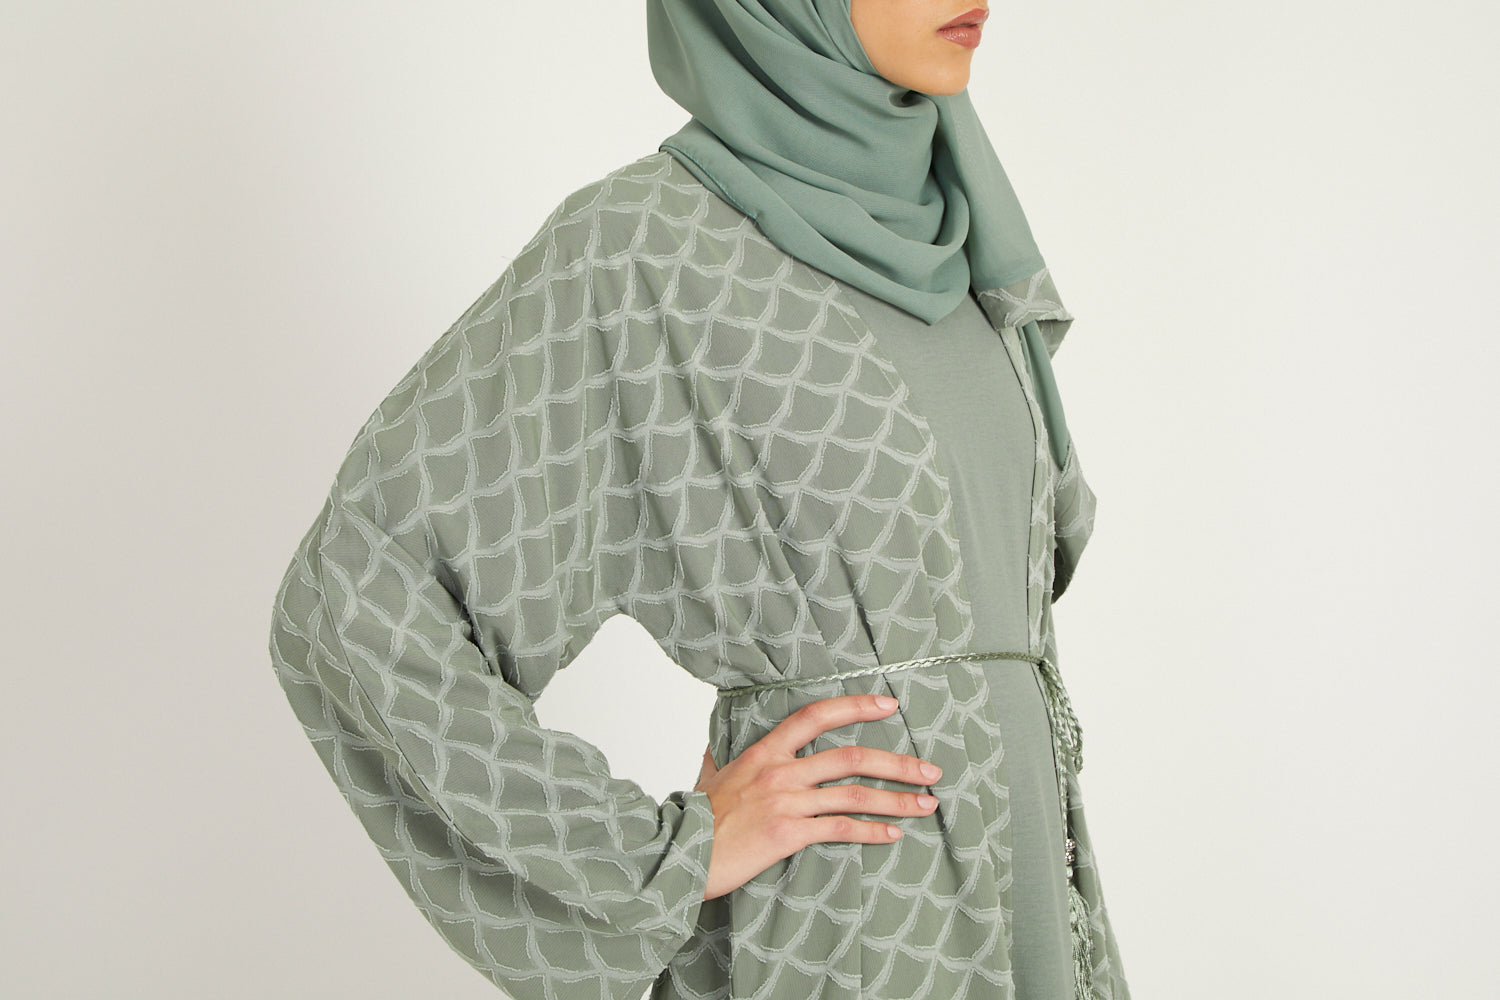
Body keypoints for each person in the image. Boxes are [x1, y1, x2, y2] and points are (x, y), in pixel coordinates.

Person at [266, 3, 1132, 999]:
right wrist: (650, 855)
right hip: (846, 934)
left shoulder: (972, 246)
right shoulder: (648, 250)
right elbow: (355, 593)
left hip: (1042, 913)